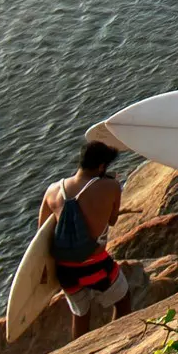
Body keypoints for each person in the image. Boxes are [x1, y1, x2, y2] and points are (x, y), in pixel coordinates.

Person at [38, 141, 132, 336]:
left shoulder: (52, 190)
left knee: (80, 314)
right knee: (123, 301)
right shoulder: (111, 186)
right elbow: (113, 220)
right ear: (101, 167)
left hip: (66, 271)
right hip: (96, 266)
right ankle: (116, 342)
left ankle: (80, 353)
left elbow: (42, 234)